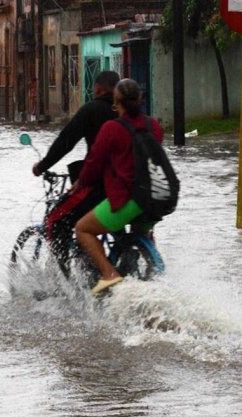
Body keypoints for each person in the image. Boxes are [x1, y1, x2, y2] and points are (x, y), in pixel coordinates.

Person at [73, 78, 164, 295]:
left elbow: (94, 163)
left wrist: (80, 182)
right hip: (157, 199)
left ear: (116, 102)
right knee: (140, 231)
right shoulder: (154, 125)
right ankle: (148, 271)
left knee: (82, 229)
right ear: (140, 99)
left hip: (130, 199)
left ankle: (109, 274)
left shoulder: (112, 128)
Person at [31, 70, 120, 268]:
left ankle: (63, 279)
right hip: (129, 188)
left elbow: (66, 142)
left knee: (55, 220)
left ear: (97, 88)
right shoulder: (130, 114)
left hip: (99, 186)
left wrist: (42, 166)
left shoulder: (92, 110)